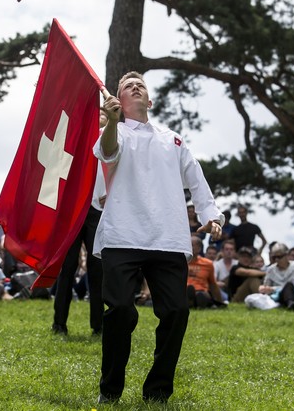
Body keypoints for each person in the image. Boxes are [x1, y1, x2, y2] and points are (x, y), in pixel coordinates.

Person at [94, 71, 223, 404]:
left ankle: (158, 391)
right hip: (123, 234)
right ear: (118, 102)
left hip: (167, 237)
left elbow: (196, 178)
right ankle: (110, 389)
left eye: (140, 86)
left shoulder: (173, 139)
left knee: (177, 312)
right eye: (127, 88)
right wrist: (110, 121)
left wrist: (210, 214)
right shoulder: (114, 132)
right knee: (121, 310)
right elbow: (107, 153)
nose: (135, 89)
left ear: (149, 100)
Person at [52, 114, 106, 335]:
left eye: (102, 113)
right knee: (68, 268)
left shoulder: (112, 138)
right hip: (73, 210)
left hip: (97, 210)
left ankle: (99, 325)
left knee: (97, 268)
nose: (99, 115)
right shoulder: (74, 139)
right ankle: (59, 323)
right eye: (97, 113)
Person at [186, 236, 222, 309]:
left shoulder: (207, 264)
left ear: (199, 248)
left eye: (192, 245)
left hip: (202, 290)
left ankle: (194, 302)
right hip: (185, 290)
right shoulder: (181, 262)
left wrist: (220, 301)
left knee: (201, 295)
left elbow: (213, 283)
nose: (189, 247)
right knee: (188, 291)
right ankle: (192, 302)